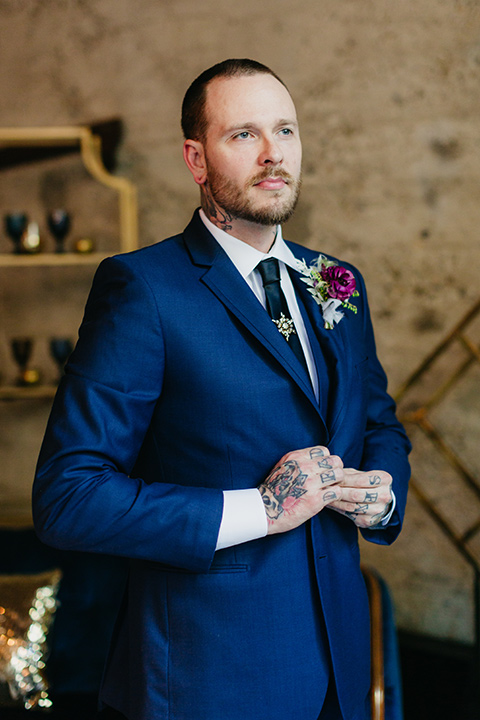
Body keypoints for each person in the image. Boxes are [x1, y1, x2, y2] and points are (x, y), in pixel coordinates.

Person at [33, 59, 411, 720]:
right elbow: (70, 496)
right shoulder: (144, 289)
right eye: (243, 135)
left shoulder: (336, 282)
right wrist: (261, 509)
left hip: (341, 673)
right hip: (210, 678)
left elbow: (378, 423)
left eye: (285, 131)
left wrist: (381, 493)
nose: (273, 154)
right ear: (196, 158)